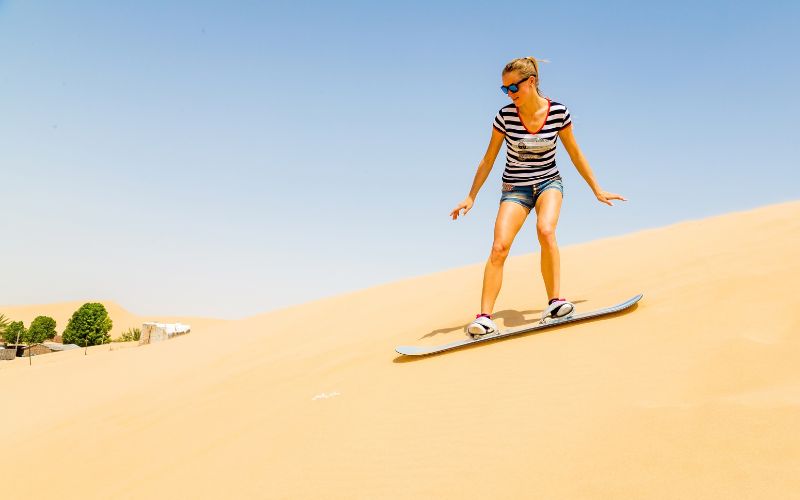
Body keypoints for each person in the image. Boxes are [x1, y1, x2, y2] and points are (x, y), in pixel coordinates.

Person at [450, 56, 626, 336]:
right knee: (499, 247)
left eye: (513, 88)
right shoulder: (504, 117)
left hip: (548, 183)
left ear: (531, 82)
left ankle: (555, 302)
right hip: (515, 188)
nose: (510, 94)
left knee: (546, 230)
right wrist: (471, 196)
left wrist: (597, 188)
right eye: (504, 90)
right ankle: (484, 318)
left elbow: (575, 153)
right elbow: (488, 159)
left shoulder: (558, 112)